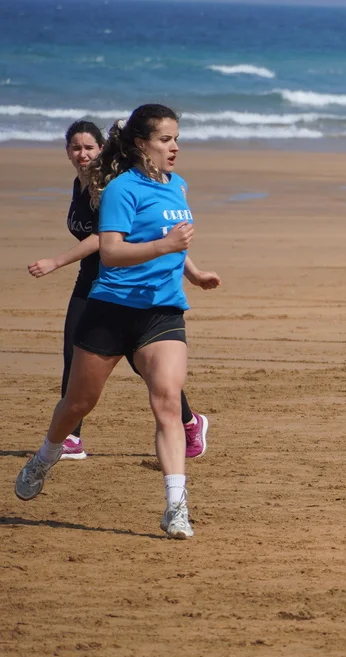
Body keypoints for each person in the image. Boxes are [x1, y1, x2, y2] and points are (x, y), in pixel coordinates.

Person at [15, 104, 220, 540]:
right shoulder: (121, 190)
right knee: (77, 404)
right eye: (165, 140)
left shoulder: (178, 185)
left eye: (177, 139)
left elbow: (173, 241)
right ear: (142, 143)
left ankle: (176, 506)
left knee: (167, 401)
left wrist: (193, 272)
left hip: (162, 311)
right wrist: (166, 247)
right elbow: (110, 252)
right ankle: (46, 455)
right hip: (111, 309)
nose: (175, 147)